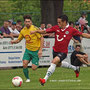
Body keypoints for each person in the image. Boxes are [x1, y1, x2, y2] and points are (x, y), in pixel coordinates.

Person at [31, 14, 90, 86]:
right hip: (55, 51)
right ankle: (75, 68)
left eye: (59, 22)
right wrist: (36, 31)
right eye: (57, 22)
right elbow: (45, 31)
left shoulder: (71, 30)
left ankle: (44, 79)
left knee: (54, 62)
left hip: (63, 52)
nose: (58, 24)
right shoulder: (56, 28)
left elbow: (83, 34)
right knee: (58, 64)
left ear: (64, 22)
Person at [10, 15, 44, 82]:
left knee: (34, 68)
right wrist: (14, 41)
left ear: (31, 22)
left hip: (35, 51)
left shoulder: (35, 29)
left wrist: (40, 50)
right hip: (28, 50)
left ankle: (36, 63)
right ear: (24, 22)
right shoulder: (23, 31)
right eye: (26, 21)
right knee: (24, 64)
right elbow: (18, 40)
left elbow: (42, 38)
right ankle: (27, 79)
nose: (27, 23)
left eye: (29, 21)